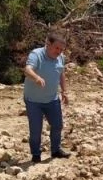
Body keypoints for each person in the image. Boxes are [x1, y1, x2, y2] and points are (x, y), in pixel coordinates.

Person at [23, 32, 71, 163]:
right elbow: (27, 70)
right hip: (33, 101)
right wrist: (36, 77)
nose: (59, 51)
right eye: (57, 48)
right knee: (35, 130)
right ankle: (36, 154)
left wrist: (64, 91)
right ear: (48, 44)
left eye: (61, 49)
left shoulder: (60, 57)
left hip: (52, 99)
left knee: (57, 125)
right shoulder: (36, 54)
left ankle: (55, 150)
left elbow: (61, 74)